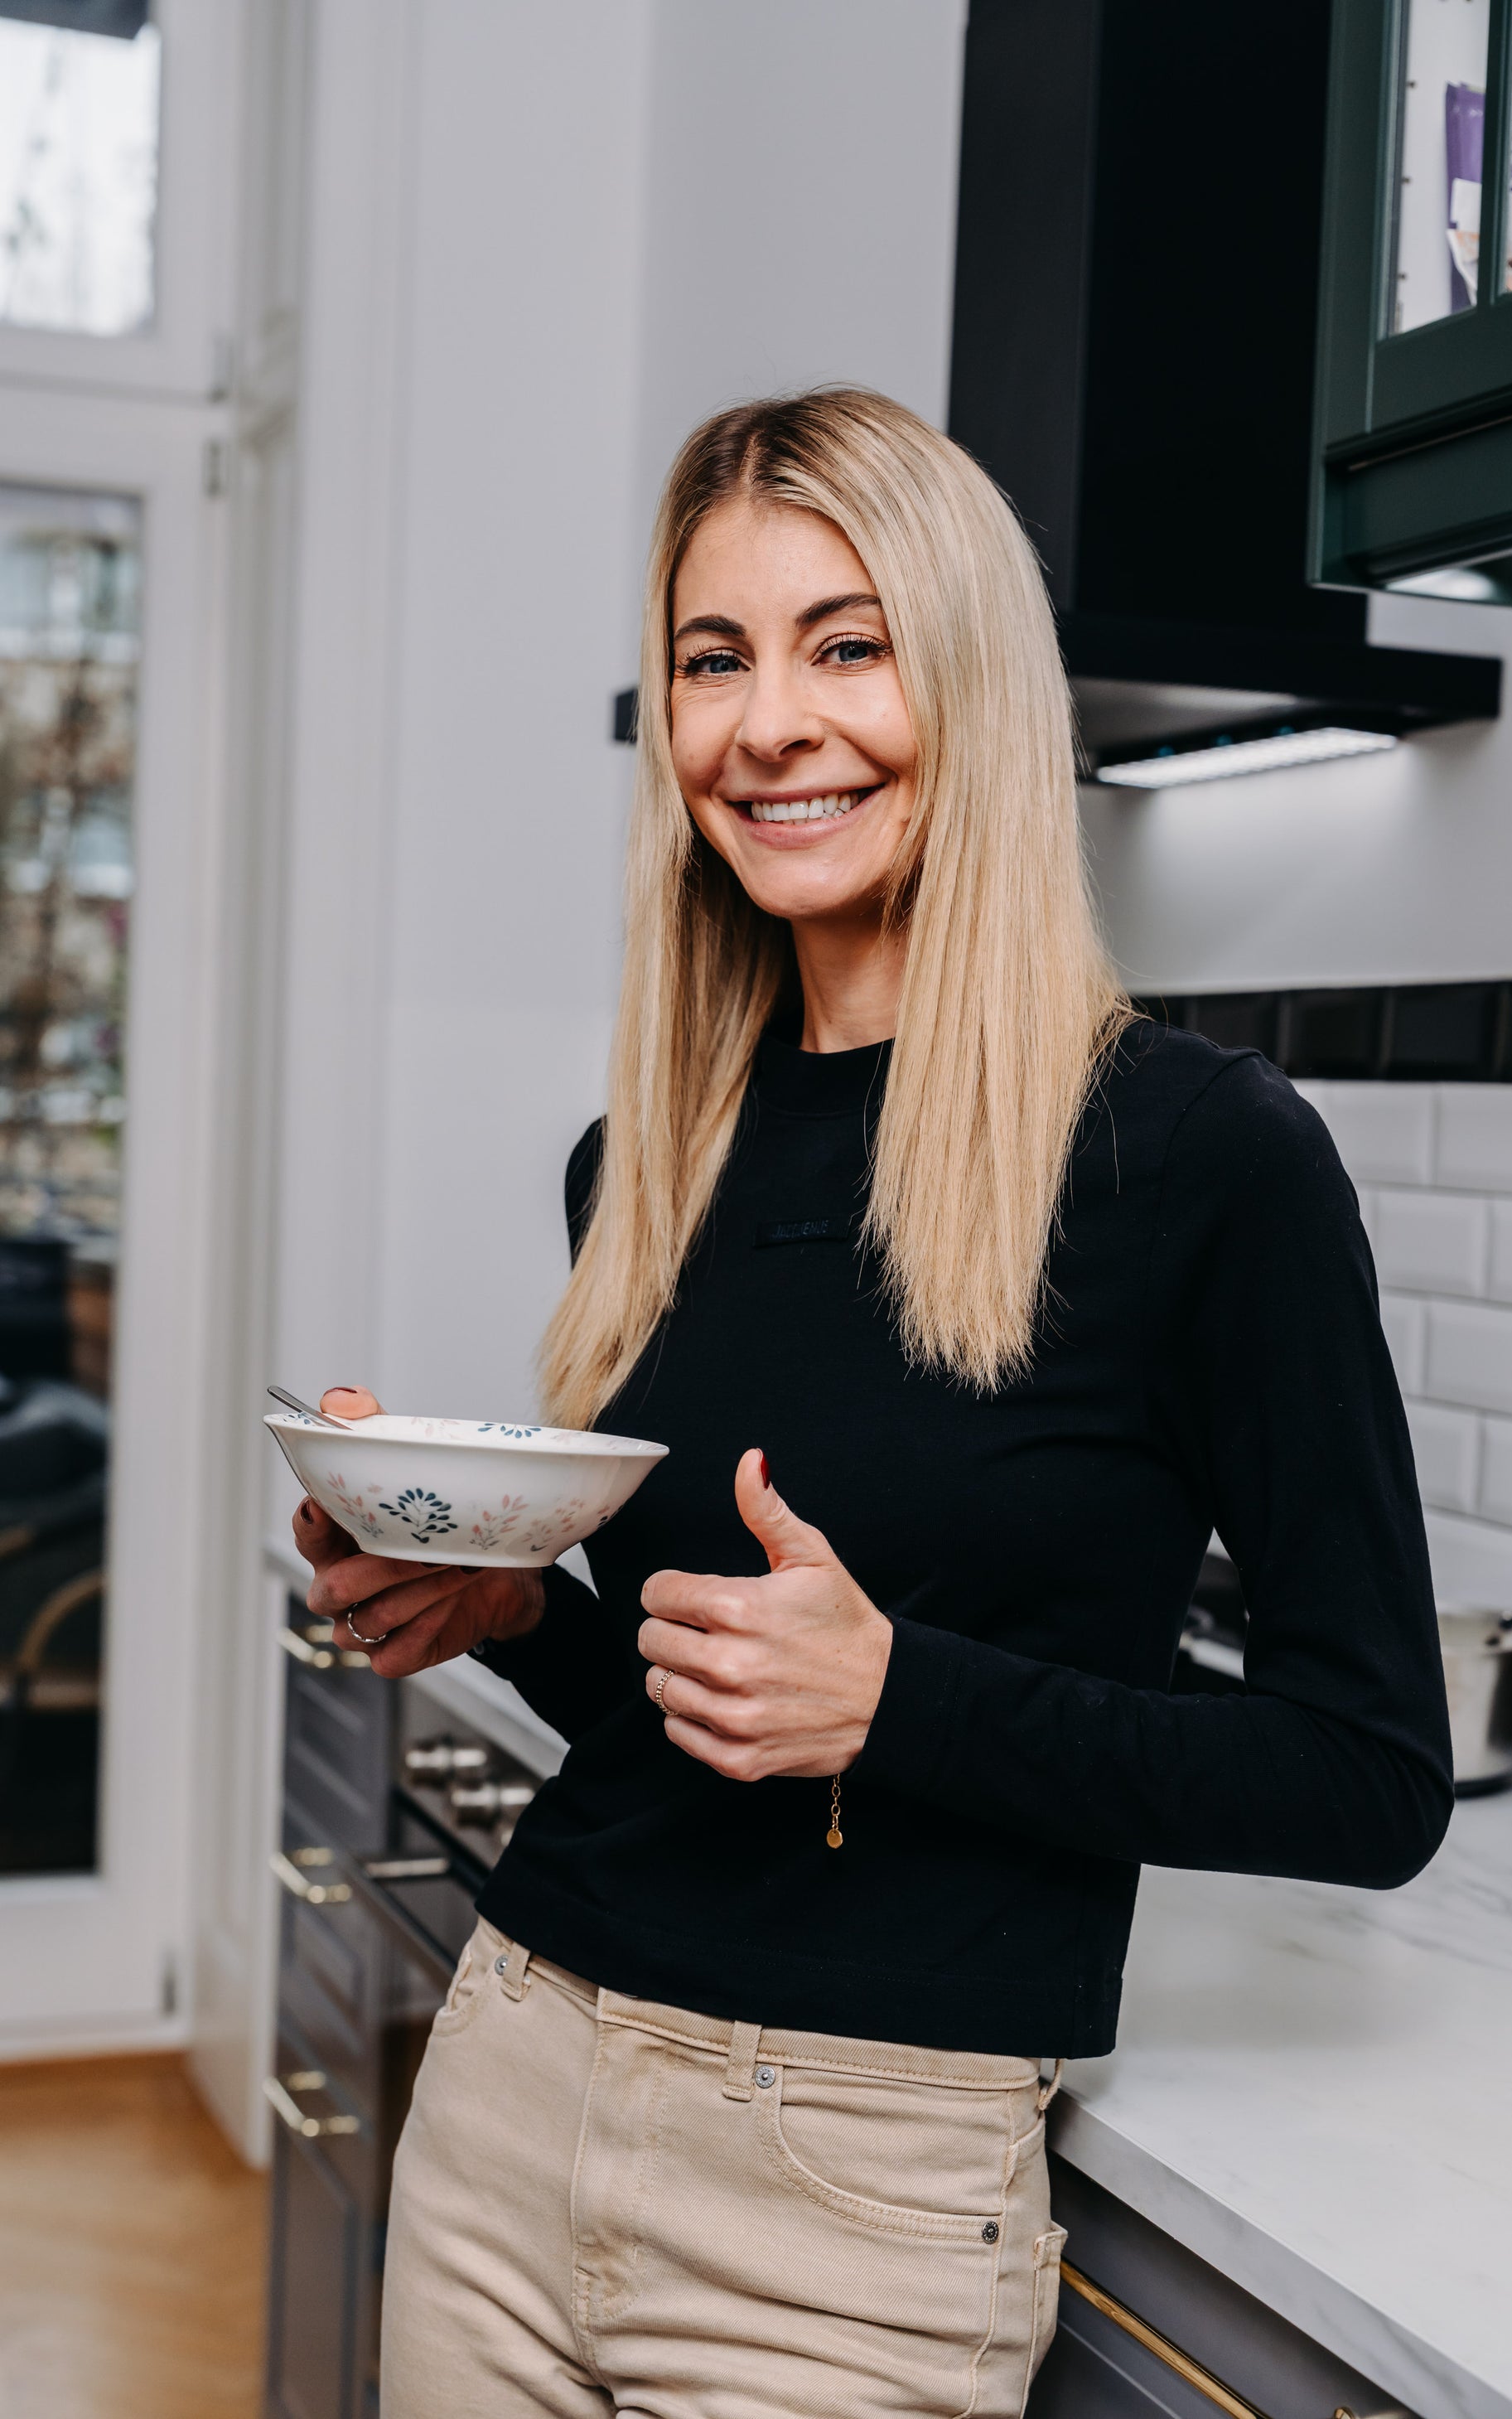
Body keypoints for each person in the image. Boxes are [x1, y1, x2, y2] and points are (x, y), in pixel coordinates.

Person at [295, 389, 1452, 2419]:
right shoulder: (641, 1157)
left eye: (847, 643)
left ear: (974, 681)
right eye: (712, 658)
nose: (769, 724)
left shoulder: (1201, 1158)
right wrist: (508, 1608)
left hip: (853, 2206)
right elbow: (695, 1700)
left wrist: (899, 1696)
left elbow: (1367, 1774)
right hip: (512, 2084)